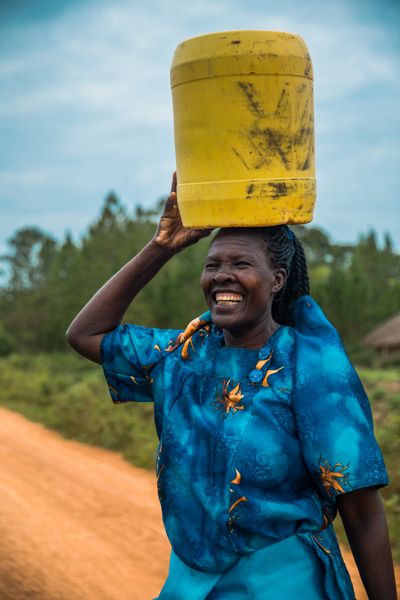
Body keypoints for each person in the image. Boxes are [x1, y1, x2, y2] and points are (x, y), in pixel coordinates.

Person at [67, 173, 397, 599]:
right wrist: (161, 247)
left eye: (241, 264)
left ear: (277, 279)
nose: (223, 276)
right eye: (213, 265)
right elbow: (86, 335)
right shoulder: (185, 354)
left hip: (283, 581)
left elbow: (362, 509)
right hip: (192, 580)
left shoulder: (310, 368)